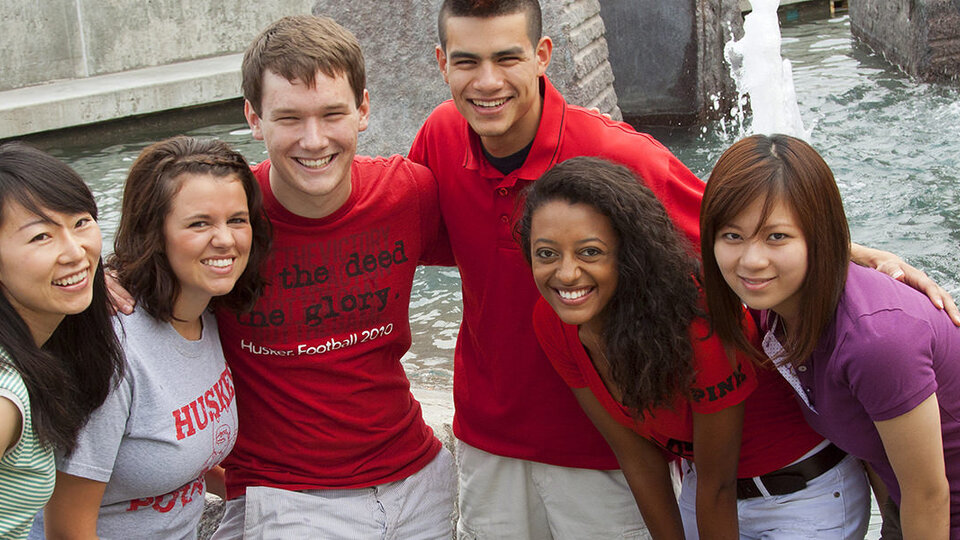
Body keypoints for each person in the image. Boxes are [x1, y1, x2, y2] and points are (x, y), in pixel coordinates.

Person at [409, 0, 948, 537]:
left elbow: (735, 227)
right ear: (441, 63)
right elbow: (406, 233)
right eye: (466, 61)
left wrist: (857, 256)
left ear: (542, 55)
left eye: (506, 58)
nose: (487, 81)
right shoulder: (440, 136)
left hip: (609, 454)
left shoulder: (619, 156)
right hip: (493, 432)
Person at [99, 16, 455, 538]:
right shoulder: (232, 219)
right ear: (253, 117)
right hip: (286, 497)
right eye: (289, 117)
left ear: (362, 109)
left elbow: (504, 247)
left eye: (332, 113)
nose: (314, 140)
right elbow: (142, 262)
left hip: (420, 480)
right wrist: (91, 281)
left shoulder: (411, 193)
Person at [519, 156, 870, 538]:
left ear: (629, 253)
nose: (567, 274)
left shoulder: (698, 320)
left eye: (590, 252)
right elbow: (638, 458)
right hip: (704, 490)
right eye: (547, 254)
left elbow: (719, 483)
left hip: (801, 496)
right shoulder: (553, 320)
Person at [700, 133, 960, 538]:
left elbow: (929, 495)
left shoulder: (875, 341)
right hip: (909, 506)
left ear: (819, 236)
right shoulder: (780, 304)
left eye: (776, 237)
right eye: (732, 236)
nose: (751, 261)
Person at [40, 137, 270, 539]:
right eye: (199, 223)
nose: (226, 239)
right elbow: (66, 529)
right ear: (153, 231)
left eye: (237, 219)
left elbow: (175, 458)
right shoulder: (114, 351)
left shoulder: (208, 314)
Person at [0, 142, 125, 539]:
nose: (76, 253)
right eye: (41, 237)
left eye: (82, 222)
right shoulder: (6, 395)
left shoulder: (46, 341)